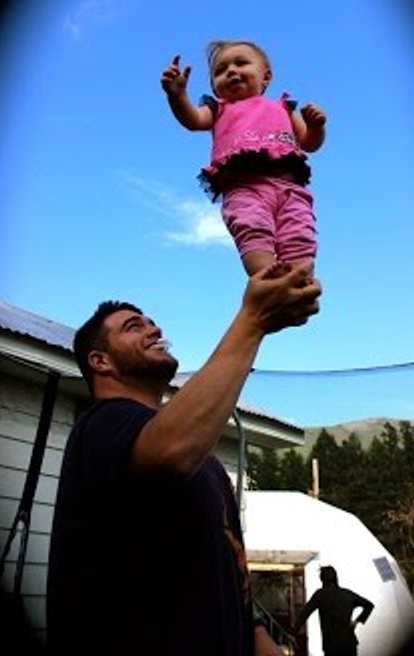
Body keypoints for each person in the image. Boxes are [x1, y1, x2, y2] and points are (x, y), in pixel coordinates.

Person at [46, 261, 321, 655]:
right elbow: (170, 450)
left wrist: (259, 636)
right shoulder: (100, 428)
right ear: (100, 361)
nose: (154, 329)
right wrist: (254, 320)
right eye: (133, 326)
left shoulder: (206, 464)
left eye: (152, 322)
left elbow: (233, 569)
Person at [160, 40, 327, 277]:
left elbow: (309, 143)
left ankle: (299, 282)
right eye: (220, 71)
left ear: (266, 77)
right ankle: (267, 277)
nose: (231, 71)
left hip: (290, 187)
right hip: (244, 187)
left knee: (299, 233)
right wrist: (177, 97)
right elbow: (193, 120)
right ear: (215, 87)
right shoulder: (218, 108)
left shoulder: (283, 107)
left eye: (241, 63)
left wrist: (316, 126)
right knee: (252, 228)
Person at [293, 566, 375, 656]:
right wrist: (357, 621)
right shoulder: (348, 594)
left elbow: (304, 614)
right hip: (350, 643)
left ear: (322, 580)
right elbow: (369, 605)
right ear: (336, 578)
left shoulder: (320, 595)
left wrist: (293, 632)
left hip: (331, 646)